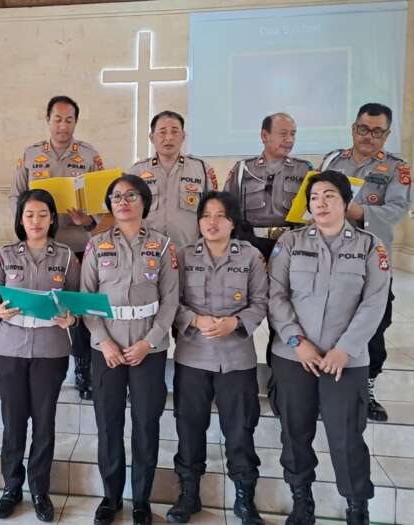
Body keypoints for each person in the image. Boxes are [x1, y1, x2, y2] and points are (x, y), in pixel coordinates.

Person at [268, 170, 390, 524]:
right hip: (295, 357)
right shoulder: (290, 242)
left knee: (347, 436)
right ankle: (301, 502)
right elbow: (275, 296)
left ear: (346, 202)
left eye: (329, 196)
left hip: (345, 361)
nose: (320, 203)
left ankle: (356, 507)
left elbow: (375, 302)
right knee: (295, 433)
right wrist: (297, 342)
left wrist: (345, 349)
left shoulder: (370, 246)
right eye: (314, 197)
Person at [80, 174, 179, 525]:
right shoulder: (96, 245)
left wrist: (148, 342)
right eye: (116, 196)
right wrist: (103, 341)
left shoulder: (163, 246)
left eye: (131, 195)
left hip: (147, 349)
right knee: (108, 424)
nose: (123, 202)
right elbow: (86, 299)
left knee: (145, 424)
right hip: (106, 348)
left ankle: (140, 500)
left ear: (144, 202)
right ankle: (110, 497)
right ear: (109, 204)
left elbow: (171, 301)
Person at [166, 192, 267, 525]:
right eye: (206, 215)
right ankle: (188, 495)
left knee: (240, 431)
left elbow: (261, 302)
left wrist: (235, 323)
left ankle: (245, 499)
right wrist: (194, 319)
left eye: (220, 215)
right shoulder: (184, 255)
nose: (212, 222)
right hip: (193, 357)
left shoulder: (251, 256)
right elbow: (172, 302)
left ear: (232, 222)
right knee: (189, 428)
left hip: (237, 359)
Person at [0, 189, 80, 522]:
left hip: (50, 350)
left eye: (42, 214)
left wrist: (71, 318)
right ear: (20, 219)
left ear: (52, 218)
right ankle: (11, 488)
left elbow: (76, 301)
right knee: (13, 423)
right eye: (29, 215)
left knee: (44, 423)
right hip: (8, 350)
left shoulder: (66, 257)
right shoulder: (5, 255)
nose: (36, 221)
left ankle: (40, 490)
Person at [319, 102, 411, 422]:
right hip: (330, 258)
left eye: (377, 132)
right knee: (328, 321)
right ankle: (324, 385)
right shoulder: (333, 161)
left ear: (386, 135)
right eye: (363, 129)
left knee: (374, 326)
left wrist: (359, 212)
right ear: (353, 128)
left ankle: (367, 389)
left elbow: (397, 210)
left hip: (372, 260)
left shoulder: (396, 169)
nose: (368, 136)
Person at [10, 96, 105, 401]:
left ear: (76, 122)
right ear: (47, 119)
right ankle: (40, 362)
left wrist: (87, 220)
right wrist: (28, 228)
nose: (63, 125)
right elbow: (16, 197)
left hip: (77, 246)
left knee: (78, 310)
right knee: (41, 307)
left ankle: (84, 370)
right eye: (57, 119)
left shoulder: (89, 156)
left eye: (69, 120)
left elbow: (104, 206)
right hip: (39, 247)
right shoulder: (31, 154)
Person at [223, 113, 313, 260]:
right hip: (250, 246)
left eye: (293, 134)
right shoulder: (243, 169)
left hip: (292, 245)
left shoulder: (304, 169)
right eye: (283, 134)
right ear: (264, 136)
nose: (289, 140)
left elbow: (314, 212)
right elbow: (227, 210)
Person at [128, 110, 218, 251]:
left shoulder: (201, 169)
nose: (169, 137)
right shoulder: (137, 171)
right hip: (147, 252)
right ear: (151, 137)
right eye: (162, 132)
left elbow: (214, 211)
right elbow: (127, 213)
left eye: (175, 132)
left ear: (183, 136)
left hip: (189, 252)